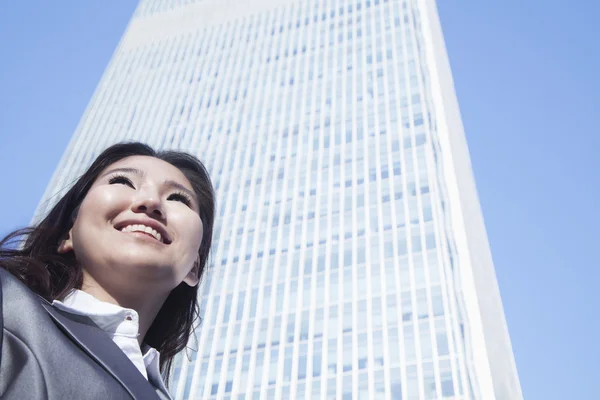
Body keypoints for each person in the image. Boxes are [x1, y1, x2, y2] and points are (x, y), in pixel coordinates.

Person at [0, 142, 215, 399]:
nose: (150, 202)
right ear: (68, 234)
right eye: (123, 181)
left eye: (178, 198)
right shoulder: (8, 306)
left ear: (194, 267)